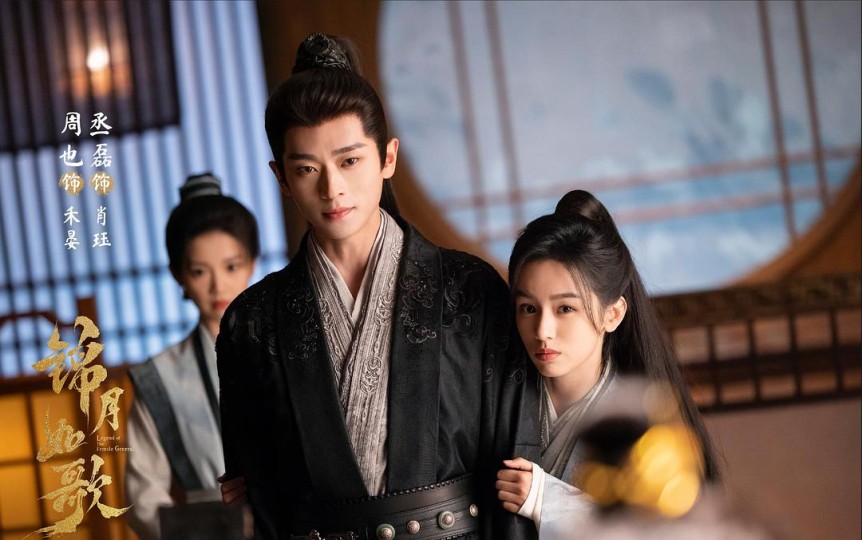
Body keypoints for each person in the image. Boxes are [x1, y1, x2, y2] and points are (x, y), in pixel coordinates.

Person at [216, 33, 532, 539]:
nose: (332, 188)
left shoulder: (471, 290)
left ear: (388, 157)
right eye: (307, 169)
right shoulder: (251, 323)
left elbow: (513, 466)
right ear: (281, 178)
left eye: (349, 161)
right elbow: (262, 506)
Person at [495, 190, 720, 536]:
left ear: (612, 314)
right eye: (529, 308)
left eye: (565, 308)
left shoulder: (642, 419)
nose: (542, 331)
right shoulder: (498, 396)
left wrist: (547, 499)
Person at [125, 173, 259, 540]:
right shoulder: (160, 376)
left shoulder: (293, 346)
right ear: (179, 275)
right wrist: (220, 526)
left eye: (231, 267)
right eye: (200, 271)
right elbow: (141, 499)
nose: (218, 286)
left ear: (252, 263)